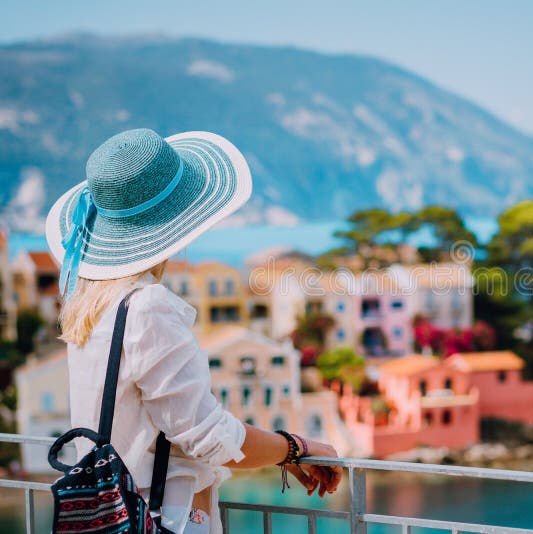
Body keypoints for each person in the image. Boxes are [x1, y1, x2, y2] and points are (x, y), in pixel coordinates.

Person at [45, 128, 343, 534]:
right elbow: (209, 437)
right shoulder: (148, 306)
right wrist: (296, 448)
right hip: (164, 519)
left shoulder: (90, 303)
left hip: (110, 514)